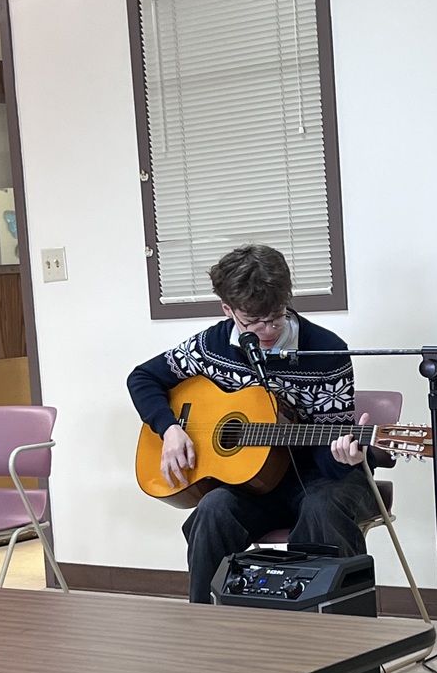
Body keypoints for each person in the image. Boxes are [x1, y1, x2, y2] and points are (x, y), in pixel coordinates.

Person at [127, 243, 379, 603]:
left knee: (321, 507)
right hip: (255, 486)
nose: (268, 329)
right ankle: (210, 631)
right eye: (253, 321)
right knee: (213, 510)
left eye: (276, 316)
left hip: (321, 481)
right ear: (228, 309)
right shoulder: (211, 345)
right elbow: (142, 378)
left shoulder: (326, 351)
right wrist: (169, 428)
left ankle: (333, 639)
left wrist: (345, 457)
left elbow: (329, 454)